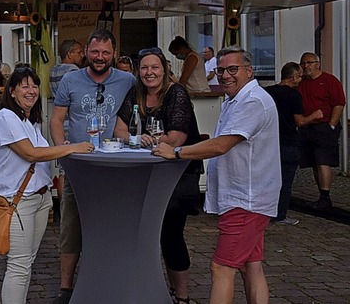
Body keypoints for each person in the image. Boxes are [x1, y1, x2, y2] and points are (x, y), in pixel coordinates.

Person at [153, 46, 281, 304]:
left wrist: (176, 152)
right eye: (221, 70)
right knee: (251, 265)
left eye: (233, 69)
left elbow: (222, 145)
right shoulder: (237, 99)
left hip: (246, 199)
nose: (225, 75)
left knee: (222, 268)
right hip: (248, 196)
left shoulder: (252, 101)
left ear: (249, 70)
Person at [0, 66, 93, 304]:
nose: (31, 90)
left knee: (27, 261)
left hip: (38, 198)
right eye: (24, 86)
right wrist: (72, 147)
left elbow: (40, 153)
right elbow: (31, 154)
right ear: (12, 91)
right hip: (17, 201)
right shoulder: (5, 117)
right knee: (19, 265)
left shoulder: (29, 121)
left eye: (34, 85)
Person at [49, 29, 135, 304]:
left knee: (113, 224)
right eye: (95, 52)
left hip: (115, 165)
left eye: (105, 53)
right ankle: (66, 287)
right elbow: (56, 119)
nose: (100, 58)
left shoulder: (128, 80)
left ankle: (111, 279)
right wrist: (63, 151)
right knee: (71, 226)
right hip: (80, 166)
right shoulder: (71, 80)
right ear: (86, 51)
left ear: (113, 53)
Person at [114, 47, 202, 304]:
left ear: (164, 69)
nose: (149, 73)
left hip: (177, 174)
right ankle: (161, 290)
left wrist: (147, 141)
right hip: (148, 173)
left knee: (171, 234)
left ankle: (181, 296)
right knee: (151, 234)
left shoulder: (177, 94)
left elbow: (176, 138)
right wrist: (136, 138)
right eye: (144, 68)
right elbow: (119, 129)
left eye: (154, 67)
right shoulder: (136, 93)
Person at [265, 62, 323, 225]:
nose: (301, 79)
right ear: (294, 77)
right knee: (285, 180)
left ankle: (264, 211)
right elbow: (299, 121)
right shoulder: (294, 95)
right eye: (300, 76)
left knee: (268, 178)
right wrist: (314, 116)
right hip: (287, 142)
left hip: (269, 142)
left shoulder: (268, 92)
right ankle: (279, 214)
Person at [297, 52, 346, 211]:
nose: (306, 66)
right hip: (307, 126)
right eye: (303, 63)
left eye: (309, 63)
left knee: (322, 161)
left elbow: (339, 104)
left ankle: (325, 197)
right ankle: (321, 196)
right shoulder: (302, 83)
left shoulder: (329, 81)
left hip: (324, 126)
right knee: (313, 163)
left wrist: (331, 124)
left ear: (318, 63)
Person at [49, 39, 84, 202]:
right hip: (70, 120)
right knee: (68, 171)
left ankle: (63, 206)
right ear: (69, 53)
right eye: (78, 52)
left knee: (63, 168)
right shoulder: (73, 71)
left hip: (59, 120)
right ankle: (67, 204)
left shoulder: (54, 70)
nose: (81, 55)